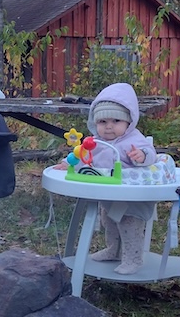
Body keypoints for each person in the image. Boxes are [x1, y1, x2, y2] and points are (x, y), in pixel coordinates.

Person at [58, 82, 158, 275]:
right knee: (108, 221)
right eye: (103, 122)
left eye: (116, 121)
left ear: (128, 122)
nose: (109, 127)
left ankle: (133, 258)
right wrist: (68, 163)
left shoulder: (134, 139)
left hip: (131, 198)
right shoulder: (96, 142)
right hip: (108, 194)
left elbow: (150, 153)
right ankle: (113, 249)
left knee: (129, 225)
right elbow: (83, 156)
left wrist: (142, 156)